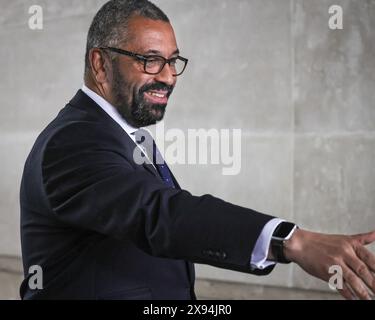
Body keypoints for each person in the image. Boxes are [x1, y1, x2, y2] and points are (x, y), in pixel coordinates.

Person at [20, 0, 375, 300]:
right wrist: (289, 240)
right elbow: (160, 214)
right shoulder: (73, 141)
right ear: (100, 64)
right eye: (151, 60)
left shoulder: (119, 132)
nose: (169, 77)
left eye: (173, 61)